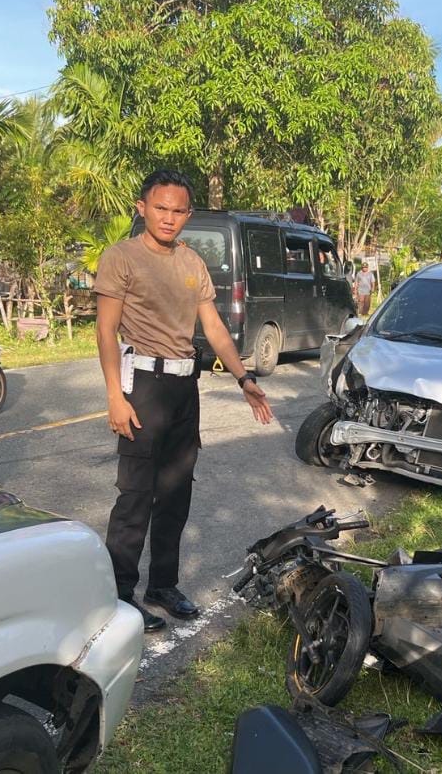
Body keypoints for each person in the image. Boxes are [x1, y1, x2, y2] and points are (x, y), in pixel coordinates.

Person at [95, 170, 274, 632]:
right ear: (142, 207)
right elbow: (105, 331)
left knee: (176, 492)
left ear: (188, 215)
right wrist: (115, 396)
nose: (169, 218)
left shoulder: (193, 263)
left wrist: (243, 377)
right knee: (135, 496)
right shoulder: (121, 257)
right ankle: (118, 595)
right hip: (143, 387)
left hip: (183, 388)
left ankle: (162, 586)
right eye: (161, 208)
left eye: (178, 211)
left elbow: (213, 327)